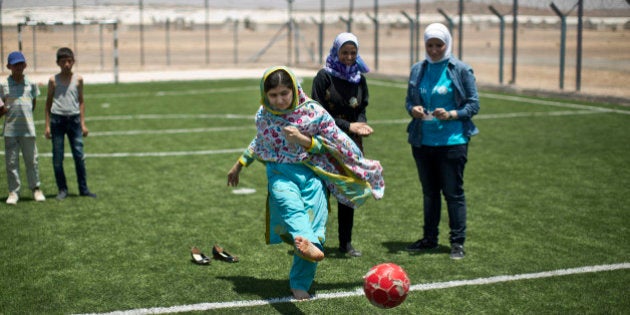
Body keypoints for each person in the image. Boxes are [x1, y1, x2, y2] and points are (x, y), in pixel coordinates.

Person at [227, 66, 384, 300]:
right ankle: (308, 254)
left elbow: (334, 143)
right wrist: (239, 164)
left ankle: (300, 281)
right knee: (292, 211)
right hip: (280, 174)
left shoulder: (313, 112)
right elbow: (260, 141)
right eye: (273, 95)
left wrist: (304, 141)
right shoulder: (264, 115)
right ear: (264, 94)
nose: (279, 100)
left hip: (312, 175)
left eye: (284, 93)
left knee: (315, 227)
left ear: (294, 90)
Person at [404, 23, 480, 260]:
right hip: (422, 142)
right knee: (430, 193)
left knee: (453, 193)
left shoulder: (461, 69)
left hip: (452, 142)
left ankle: (457, 242)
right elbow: (408, 102)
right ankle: (429, 239)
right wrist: (413, 109)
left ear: (447, 44)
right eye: (430, 45)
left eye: (439, 45)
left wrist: (452, 114)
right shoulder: (418, 69)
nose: (434, 50)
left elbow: (473, 104)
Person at [311, 32, 373, 257]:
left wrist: (362, 124)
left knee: (348, 191)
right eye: (344, 52)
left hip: (351, 144)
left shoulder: (359, 78)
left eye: (353, 53)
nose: (348, 57)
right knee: (321, 194)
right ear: (335, 52)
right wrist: (349, 126)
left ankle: (345, 244)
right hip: (325, 143)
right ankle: (315, 241)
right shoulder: (324, 77)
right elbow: (317, 113)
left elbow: (362, 107)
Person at [44, 47, 96, 200]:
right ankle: (62, 189)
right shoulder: (54, 80)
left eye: (69, 61)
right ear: (58, 63)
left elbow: (81, 101)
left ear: (73, 61)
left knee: (79, 156)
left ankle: (83, 188)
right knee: (58, 158)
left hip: (74, 121)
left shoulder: (78, 79)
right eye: (63, 61)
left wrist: (82, 123)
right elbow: (48, 104)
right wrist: (47, 126)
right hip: (57, 121)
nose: (67, 64)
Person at [0, 51, 46, 204]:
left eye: (21, 63)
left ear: (25, 65)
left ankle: (36, 189)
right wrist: (4, 110)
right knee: (11, 163)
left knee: (32, 161)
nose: (19, 67)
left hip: (28, 129)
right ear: (9, 66)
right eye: (15, 64)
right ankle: (14, 192)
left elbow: (32, 105)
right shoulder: (3, 85)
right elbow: (1, 108)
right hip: (10, 131)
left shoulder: (31, 84)